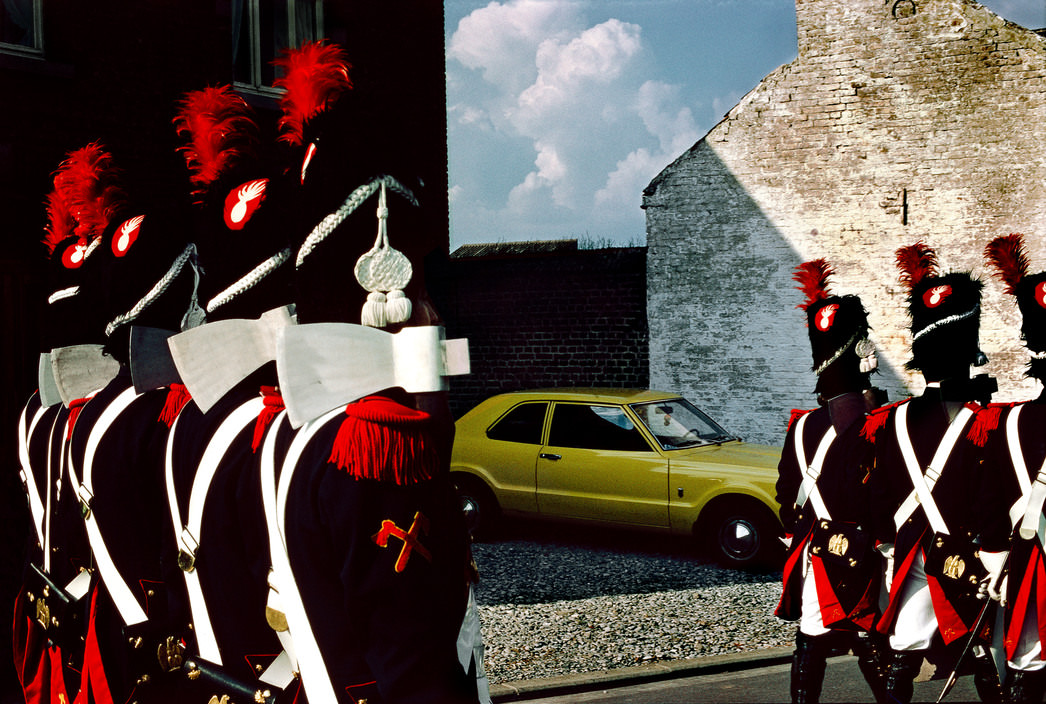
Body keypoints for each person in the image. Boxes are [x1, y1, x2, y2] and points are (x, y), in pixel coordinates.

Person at [865, 242, 1010, 703]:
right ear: (969, 348)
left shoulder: (887, 421)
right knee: (987, 649)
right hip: (968, 555)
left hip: (911, 551)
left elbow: (880, 493)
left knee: (905, 650)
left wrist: (888, 545)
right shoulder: (986, 421)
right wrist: (993, 554)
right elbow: (991, 498)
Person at [775, 258, 888, 703]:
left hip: (813, 551)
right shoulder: (877, 423)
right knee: (866, 637)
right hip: (862, 552)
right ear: (859, 349)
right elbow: (881, 495)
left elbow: (787, 496)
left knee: (812, 639)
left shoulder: (801, 426)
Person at [982, 232, 1046, 703]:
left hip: (1031, 567)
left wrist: (992, 557)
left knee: (1028, 664)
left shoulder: (1007, 423)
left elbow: (992, 505)